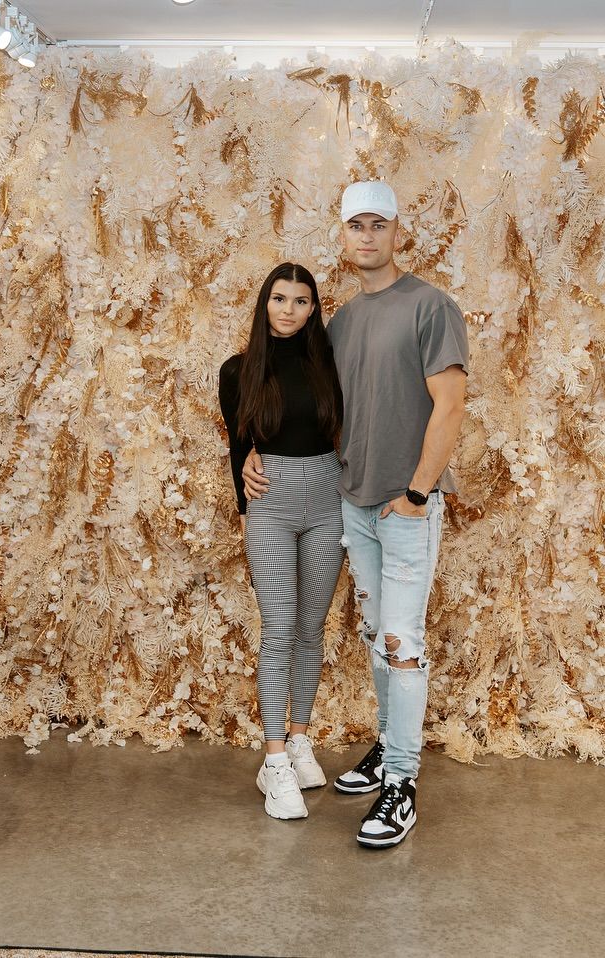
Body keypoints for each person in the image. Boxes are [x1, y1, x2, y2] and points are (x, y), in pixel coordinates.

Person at [243, 182, 468, 848]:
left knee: (402, 641)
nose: (366, 236)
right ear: (342, 238)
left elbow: (451, 404)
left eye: (378, 224)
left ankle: (402, 781)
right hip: (355, 504)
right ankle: (385, 747)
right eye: (355, 226)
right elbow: (299, 396)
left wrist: (420, 493)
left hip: (405, 506)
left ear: (398, 232)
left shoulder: (430, 306)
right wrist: (252, 447)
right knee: (376, 632)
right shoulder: (340, 322)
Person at [219, 262, 345, 821]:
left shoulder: (328, 365)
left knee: (311, 625)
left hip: (326, 501)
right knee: (279, 627)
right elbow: (237, 446)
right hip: (271, 503)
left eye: (300, 301)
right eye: (279, 298)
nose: (289, 309)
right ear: (263, 303)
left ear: (314, 308)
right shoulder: (238, 369)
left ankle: (299, 738)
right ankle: (273, 760)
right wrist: (246, 503)